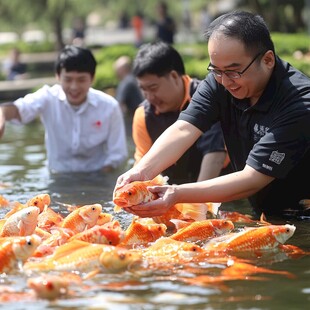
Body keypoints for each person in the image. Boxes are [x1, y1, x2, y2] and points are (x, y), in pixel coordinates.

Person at [115, 11, 310, 219]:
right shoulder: (219, 81)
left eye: (234, 71)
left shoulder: (299, 103)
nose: (225, 82)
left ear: (268, 60)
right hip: (262, 211)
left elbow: (253, 178)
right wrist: (141, 172)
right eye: (216, 70)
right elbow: (184, 128)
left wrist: (177, 194)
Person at [0, 45, 128, 174]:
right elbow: (18, 109)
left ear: (92, 78)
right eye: (68, 79)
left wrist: (96, 183)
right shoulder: (47, 97)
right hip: (57, 175)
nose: (74, 87)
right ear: (58, 76)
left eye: (81, 80)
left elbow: (117, 154)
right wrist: (2, 115)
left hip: (97, 176)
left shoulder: (109, 107)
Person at [131, 41, 230, 185]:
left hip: (221, 186)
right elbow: (142, 163)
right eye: (143, 89)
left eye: (153, 88)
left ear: (174, 76)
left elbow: (215, 154)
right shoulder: (143, 114)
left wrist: (198, 203)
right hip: (173, 189)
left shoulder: (210, 96)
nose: (149, 96)